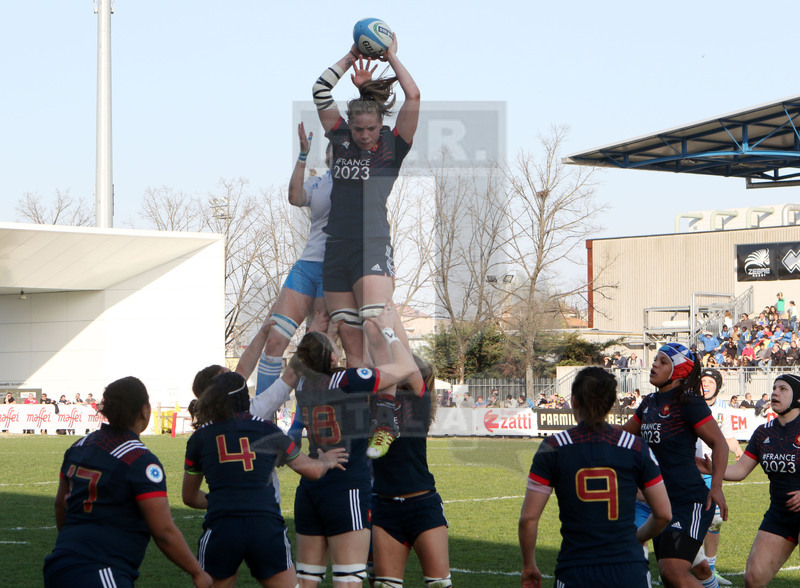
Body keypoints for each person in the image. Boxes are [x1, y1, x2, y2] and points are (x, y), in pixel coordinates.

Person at [312, 40, 421, 452]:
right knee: (350, 338)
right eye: (357, 129)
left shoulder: (393, 147)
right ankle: (359, 427)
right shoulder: (340, 139)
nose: (363, 135)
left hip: (372, 243)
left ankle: (386, 415)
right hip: (336, 248)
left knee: (375, 318)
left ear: (381, 126)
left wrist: (390, 55)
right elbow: (321, 91)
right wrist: (348, 56)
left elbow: (413, 95)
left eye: (370, 129)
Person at [289, 303, 417, 587]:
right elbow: (405, 368)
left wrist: (325, 331)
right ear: (333, 357)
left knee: (306, 579)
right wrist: (389, 331)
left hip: (311, 488)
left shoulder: (301, 384)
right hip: (345, 485)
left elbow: (313, 358)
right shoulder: (347, 381)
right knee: (348, 579)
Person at [182, 371, 348, 587]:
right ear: (245, 397)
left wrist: (225, 500)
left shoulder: (200, 437)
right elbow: (312, 471)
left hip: (222, 527)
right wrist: (325, 461)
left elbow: (189, 497)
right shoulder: (268, 429)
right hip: (265, 526)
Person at [43, 377, 212, 588]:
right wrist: (197, 572)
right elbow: (163, 531)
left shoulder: (79, 446)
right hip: (101, 570)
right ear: (144, 410)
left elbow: (61, 505)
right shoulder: (138, 460)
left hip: (59, 565)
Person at [519, 367, 671, 588]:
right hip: (628, 568)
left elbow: (528, 519)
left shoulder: (553, 447)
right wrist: (634, 539)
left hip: (576, 569)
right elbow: (664, 514)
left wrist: (529, 565)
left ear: (574, 401)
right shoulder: (635, 446)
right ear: (610, 404)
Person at [622, 343, 729, 588]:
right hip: (660, 503)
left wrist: (717, 487)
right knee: (672, 576)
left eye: (662, 361)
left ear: (678, 370)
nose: (654, 364)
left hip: (687, 500)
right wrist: (593, 427)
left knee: (672, 571)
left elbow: (719, 443)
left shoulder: (688, 401)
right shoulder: (649, 402)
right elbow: (625, 436)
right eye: (655, 360)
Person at [697, 374, 800, 588]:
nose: (775, 393)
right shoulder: (764, 432)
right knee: (753, 579)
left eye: (783, 389)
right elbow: (741, 470)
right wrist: (714, 469)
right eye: (774, 388)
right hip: (779, 515)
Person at [254, 122, 333, 396]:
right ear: (327, 155)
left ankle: (302, 422)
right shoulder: (319, 182)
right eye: (333, 148)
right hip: (307, 267)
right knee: (275, 339)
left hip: (335, 270)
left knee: (319, 349)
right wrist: (302, 157)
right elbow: (295, 197)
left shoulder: (359, 184)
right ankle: (262, 419)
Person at [371, 355, 451, 588]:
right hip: (385, 507)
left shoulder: (419, 401)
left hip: (421, 504)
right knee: (385, 585)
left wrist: (389, 329)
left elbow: (402, 363)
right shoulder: (376, 400)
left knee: (439, 585)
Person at [695, 369, 743, 586]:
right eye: (702, 380)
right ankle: (682, 565)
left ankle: (710, 570)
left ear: (718, 385)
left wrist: (737, 450)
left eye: (710, 381)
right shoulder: (691, 404)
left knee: (714, 521)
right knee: (688, 519)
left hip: (711, 470)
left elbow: (729, 437)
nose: (705, 384)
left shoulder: (723, 408)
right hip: (688, 469)